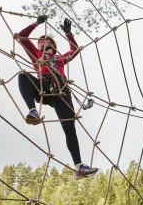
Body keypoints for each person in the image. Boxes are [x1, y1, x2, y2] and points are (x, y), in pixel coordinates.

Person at [16, 15, 98, 180]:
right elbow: (22, 37)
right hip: (43, 88)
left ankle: (79, 166)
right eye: (41, 42)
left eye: (48, 41)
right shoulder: (36, 54)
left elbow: (74, 49)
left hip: (61, 91)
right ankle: (32, 111)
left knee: (70, 128)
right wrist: (37, 23)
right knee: (23, 75)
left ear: (54, 46)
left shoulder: (60, 58)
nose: (44, 43)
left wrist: (68, 34)